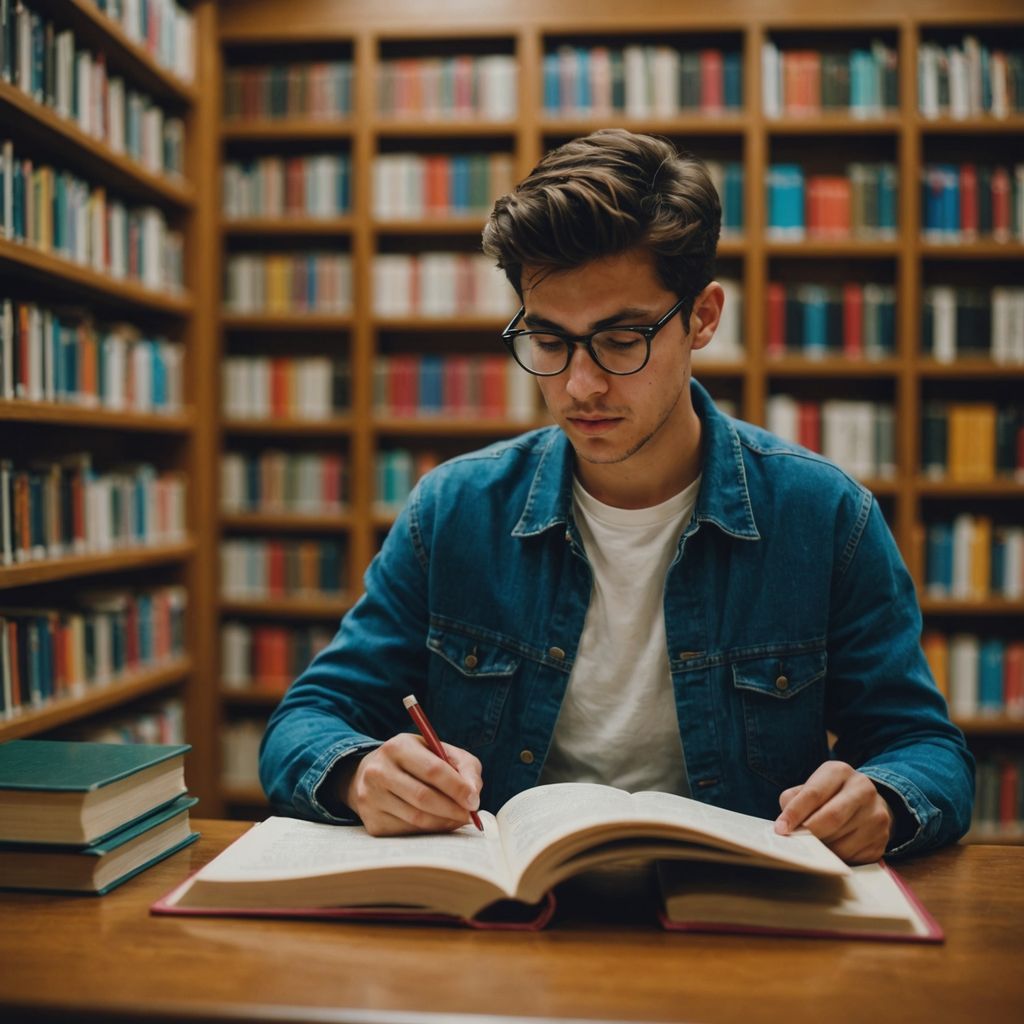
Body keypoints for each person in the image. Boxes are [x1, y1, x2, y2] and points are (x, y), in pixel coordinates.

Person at [259, 128, 974, 863]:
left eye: (622, 338)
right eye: (548, 339)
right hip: (506, 919)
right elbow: (306, 721)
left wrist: (883, 800)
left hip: (737, 923)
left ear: (702, 318)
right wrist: (359, 773)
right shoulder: (453, 511)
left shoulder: (824, 517)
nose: (580, 386)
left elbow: (924, 748)